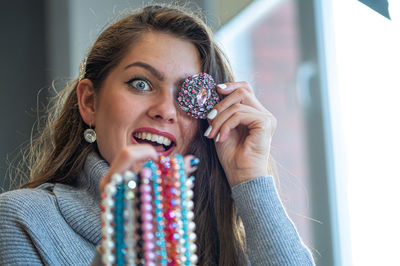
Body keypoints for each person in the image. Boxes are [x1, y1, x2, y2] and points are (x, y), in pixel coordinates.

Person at [0, 4, 315, 266]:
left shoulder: (226, 246)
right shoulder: (23, 220)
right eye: (141, 84)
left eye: (187, 95)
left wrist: (249, 176)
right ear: (90, 102)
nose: (165, 110)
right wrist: (123, 232)